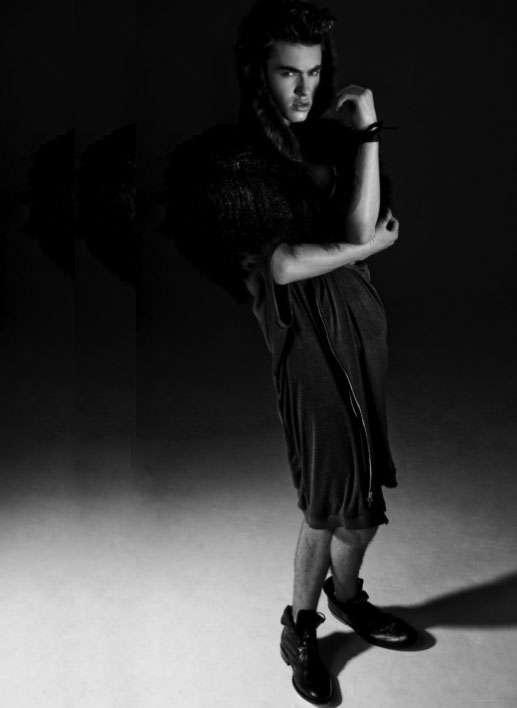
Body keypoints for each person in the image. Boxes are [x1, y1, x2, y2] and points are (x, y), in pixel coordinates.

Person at [164, 0, 418, 703]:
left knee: (363, 494)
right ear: (258, 75)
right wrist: (362, 249)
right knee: (326, 499)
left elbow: (359, 226)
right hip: (303, 341)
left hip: (360, 328)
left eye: (313, 71)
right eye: (287, 73)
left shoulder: (328, 142)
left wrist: (366, 129)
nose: (304, 89)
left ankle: (348, 596)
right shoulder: (234, 163)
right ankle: (300, 627)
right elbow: (279, 266)